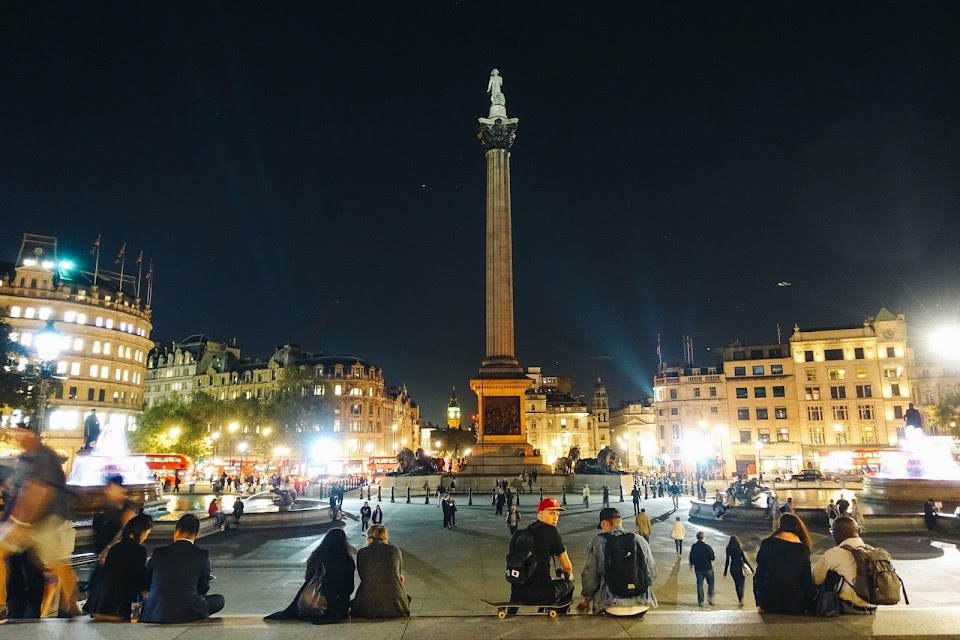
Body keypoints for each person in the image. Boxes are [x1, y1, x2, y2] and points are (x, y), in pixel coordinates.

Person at [0, 424, 81, 622]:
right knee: (56, 562)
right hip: (44, 518)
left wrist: (20, 522)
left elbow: (40, 490)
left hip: (37, 519)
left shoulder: (40, 457)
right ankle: (71, 603)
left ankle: (1, 605)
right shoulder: (30, 457)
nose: (16, 437)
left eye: (20, 432)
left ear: (32, 434)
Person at [140, 514, 224, 623]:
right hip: (187, 612)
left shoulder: (159, 553)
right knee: (219, 599)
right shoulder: (202, 555)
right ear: (196, 534)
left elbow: (148, 581)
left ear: (177, 531)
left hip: (156, 612)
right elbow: (203, 587)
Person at [265, 528, 356, 623]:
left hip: (311, 602)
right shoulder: (346, 560)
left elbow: (308, 578)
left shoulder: (316, 556)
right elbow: (350, 588)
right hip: (337, 607)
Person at [577, 507, 656, 615]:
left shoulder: (598, 542)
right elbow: (652, 573)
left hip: (611, 606)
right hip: (642, 605)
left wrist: (587, 599)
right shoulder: (640, 541)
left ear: (604, 523)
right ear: (620, 522)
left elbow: (590, 575)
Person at [510, 498, 574, 609]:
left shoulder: (525, 532)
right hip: (541, 595)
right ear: (540, 514)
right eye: (551, 513)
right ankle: (560, 614)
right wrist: (567, 576)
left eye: (557, 514)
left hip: (519, 593)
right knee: (570, 582)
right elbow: (567, 566)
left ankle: (512, 609)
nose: (555, 518)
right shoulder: (551, 531)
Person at [88, 514, 153, 621]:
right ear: (141, 531)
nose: (146, 537)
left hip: (98, 608)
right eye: (147, 533)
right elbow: (139, 579)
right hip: (119, 611)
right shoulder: (139, 550)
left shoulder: (114, 548)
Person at [811, 516, 877, 614]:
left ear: (841, 533)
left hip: (849, 607)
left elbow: (816, 579)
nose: (832, 534)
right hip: (873, 606)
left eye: (832, 531)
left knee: (830, 576)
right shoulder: (872, 550)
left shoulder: (835, 553)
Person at [753, 513, 814, 614]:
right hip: (795, 603)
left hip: (769, 600)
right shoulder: (803, 548)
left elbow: (760, 574)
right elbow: (806, 579)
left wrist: (760, 601)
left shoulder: (767, 543)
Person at [351, 524, 410, 618]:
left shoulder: (362, 553)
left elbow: (363, 575)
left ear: (369, 538)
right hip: (397, 606)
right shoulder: (394, 550)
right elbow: (398, 575)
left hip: (367, 607)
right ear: (385, 537)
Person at [723, 535, 753, 607]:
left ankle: (739, 598)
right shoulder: (739, 548)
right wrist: (751, 569)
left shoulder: (728, 548)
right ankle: (741, 598)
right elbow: (744, 559)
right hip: (740, 567)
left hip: (733, 568)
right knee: (742, 584)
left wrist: (725, 572)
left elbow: (727, 561)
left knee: (737, 584)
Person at [689, 531, 716, 606]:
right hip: (708, 568)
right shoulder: (707, 547)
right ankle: (710, 597)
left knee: (700, 585)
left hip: (698, 569)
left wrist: (691, 564)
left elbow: (691, 556)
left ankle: (700, 601)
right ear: (703, 538)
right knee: (711, 583)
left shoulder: (694, 546)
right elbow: (712, 557)